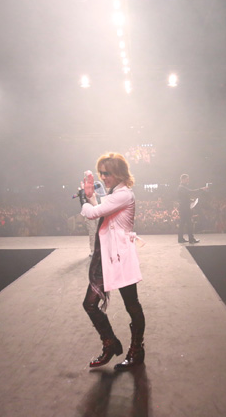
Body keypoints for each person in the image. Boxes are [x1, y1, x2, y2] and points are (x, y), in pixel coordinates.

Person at [79, 153, 145, 371]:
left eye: (107, 173)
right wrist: (91, 197)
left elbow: (93, 213)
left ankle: (136, 350)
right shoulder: (115, 194)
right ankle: (111, 343)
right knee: (90, 304)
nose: (103, 177)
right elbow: (101, 210)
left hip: (121, 258)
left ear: (119, 173)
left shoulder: (124, 194)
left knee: (132, 305)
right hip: (107, 258)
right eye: (101, 173)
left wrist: (85, 200)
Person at [177, 174, 207, 244]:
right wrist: (201, 189)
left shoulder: (182, 187)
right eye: (187, 179)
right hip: (185, 208)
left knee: (182, 223)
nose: (188, 180)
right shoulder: (182, 187)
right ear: (183, 179)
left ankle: (180, 238)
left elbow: (184, 197)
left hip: (183, 207)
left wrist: (190, 200)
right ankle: (191, 239)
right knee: (189, 223)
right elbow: (191, 191)